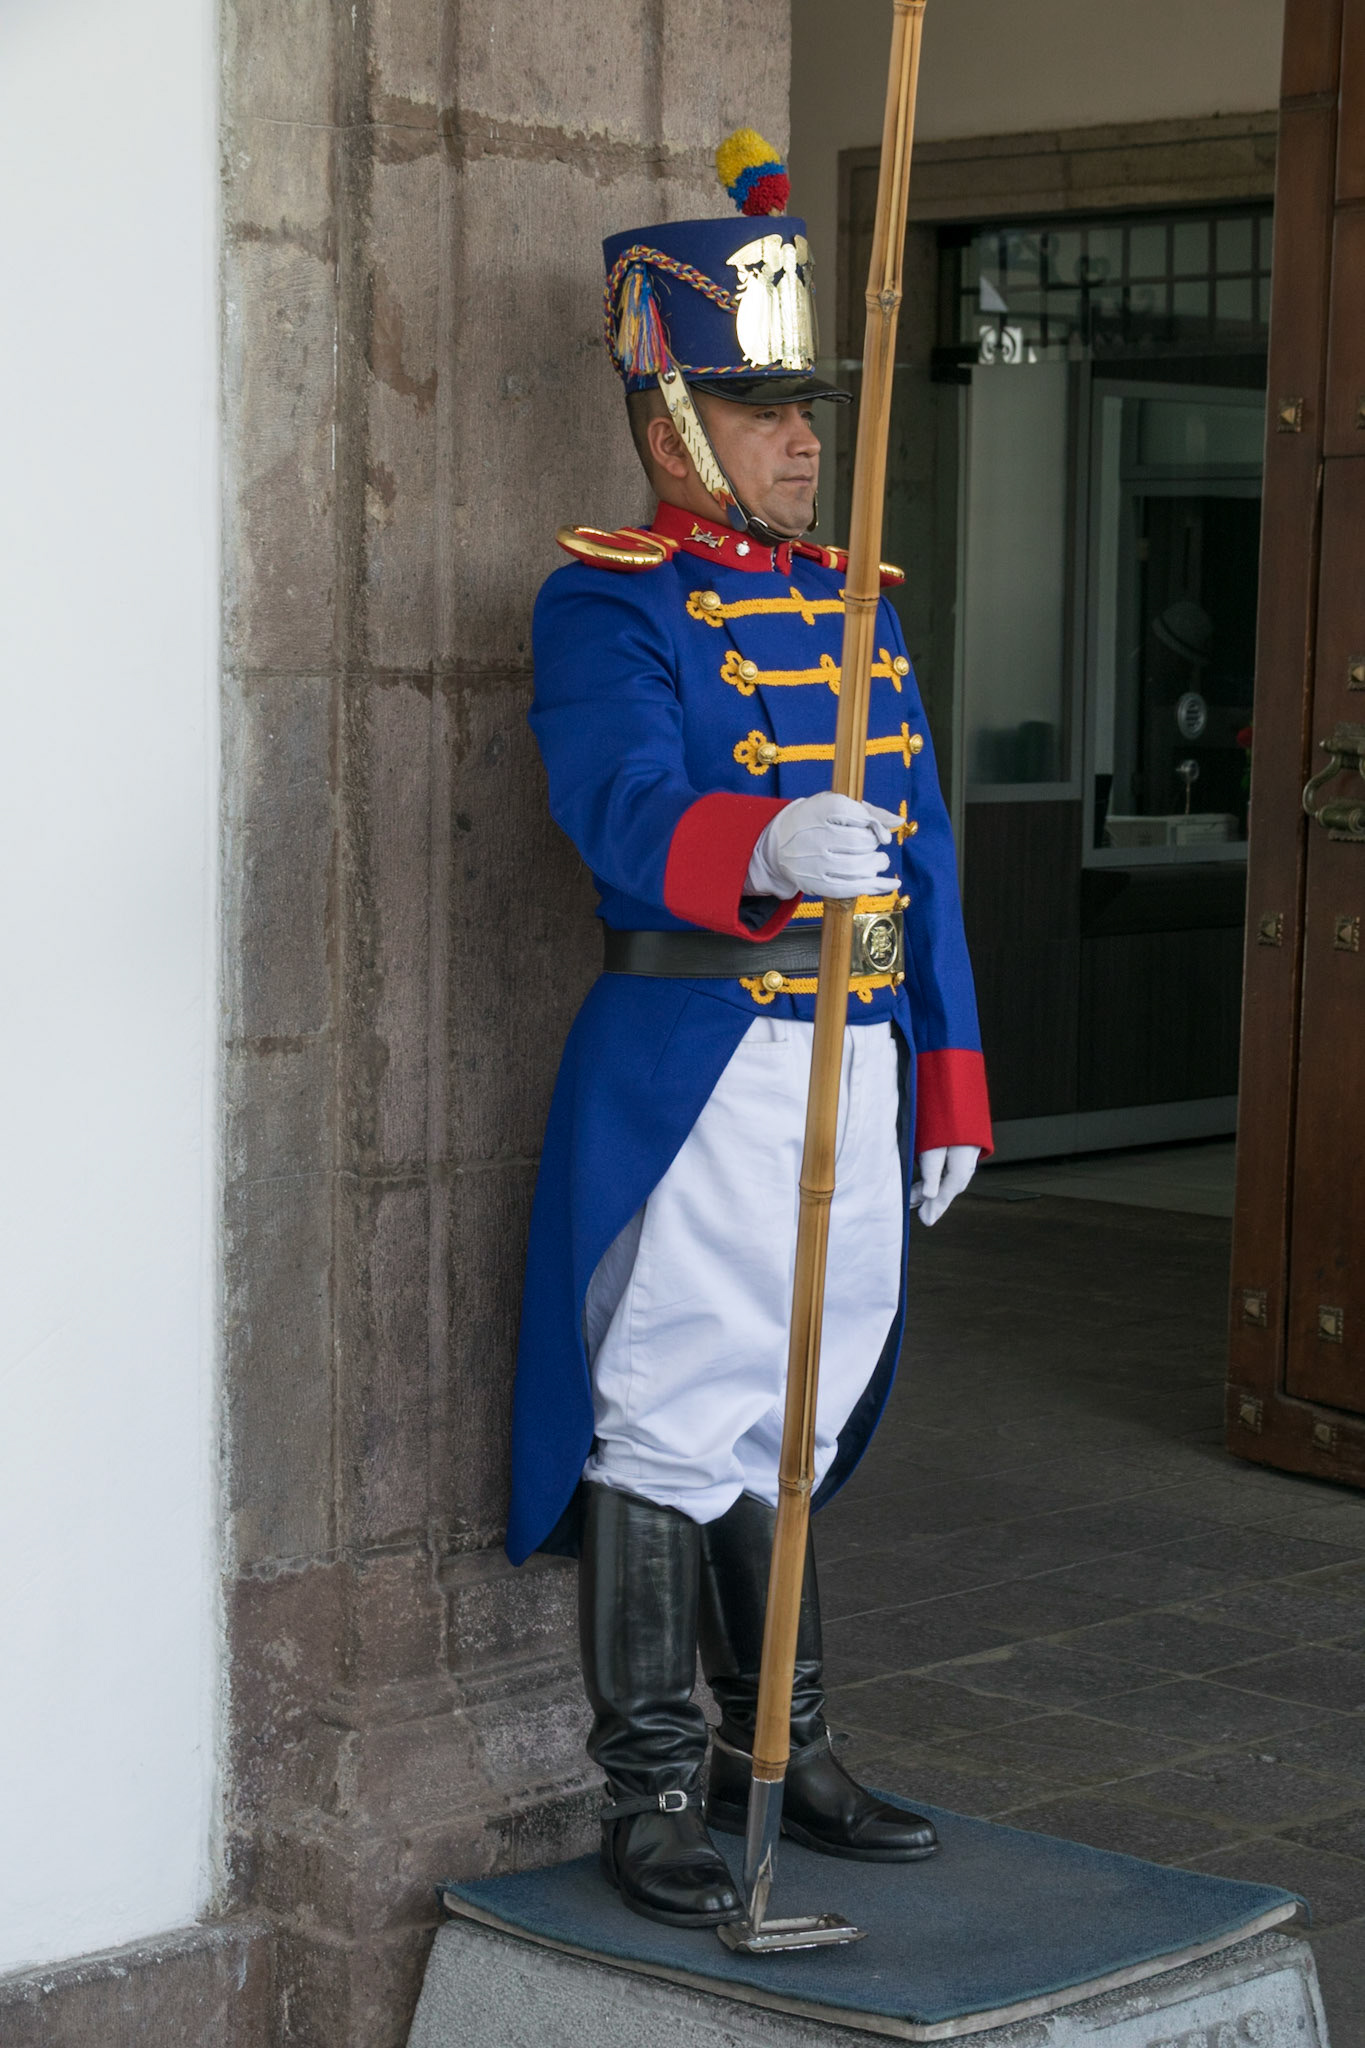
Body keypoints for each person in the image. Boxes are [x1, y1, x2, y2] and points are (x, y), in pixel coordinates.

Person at [506, 131, 992, 1931]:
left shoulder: (860, 612)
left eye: (809, 406)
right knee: (674, 1407)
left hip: (851, 1067)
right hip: (708, 1059)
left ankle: (773, 1746)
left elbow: (927, 869)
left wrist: (944, 1074)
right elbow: (614, 803)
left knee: (800, 1410)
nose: (804, 439)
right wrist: (759, 846)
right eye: (764, 406)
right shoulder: (607, 599)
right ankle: (646, 1786)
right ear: (670, 422)